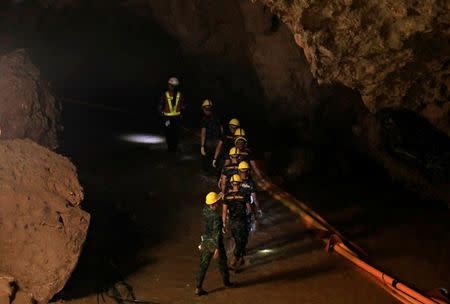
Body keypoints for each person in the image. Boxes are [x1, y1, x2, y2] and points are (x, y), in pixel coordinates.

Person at [195, 192, 234, 296]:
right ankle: (227, 283)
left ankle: (198, 287)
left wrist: (219, 195)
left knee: (203, 265)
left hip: (205, 241)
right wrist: (217, 249)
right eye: (217, 202)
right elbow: (217, 233)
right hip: (215, 243)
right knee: (223, 264)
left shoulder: (205, 211)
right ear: (215, 203)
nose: (218, 203)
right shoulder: (216, 217)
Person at [222, 174, 252, 270]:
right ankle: (234, 260)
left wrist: (223, 224)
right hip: (242, 221)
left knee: (237, 239)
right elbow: (249, 209)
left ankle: (241, 258)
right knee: (242, 240)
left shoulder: (226, 196)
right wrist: (251, 218)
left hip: (232, 222)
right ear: (240, 184)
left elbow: (224, 212)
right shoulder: (244, 195)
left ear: (231, 183)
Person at [158, 77, 185, 152]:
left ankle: (172, 149)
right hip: (172, 118)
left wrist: (162, 114)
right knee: (172, 134)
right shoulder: (167, 95)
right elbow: (183, 107)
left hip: (171, 118)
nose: (170, 87)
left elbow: (160, 106)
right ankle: (172, 149)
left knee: (172, 134)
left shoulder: (167, 94)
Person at [200, 99, 223, 172]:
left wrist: (202, 146)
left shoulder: (204, 119)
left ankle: (208, 172)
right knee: (216, 159)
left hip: (209, 142)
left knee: (207, 158)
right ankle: (215, 171)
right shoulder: (217, 117)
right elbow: (222, 129)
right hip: (217, 142)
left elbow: (203, 133)